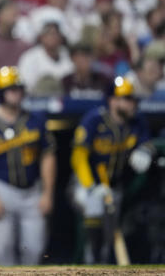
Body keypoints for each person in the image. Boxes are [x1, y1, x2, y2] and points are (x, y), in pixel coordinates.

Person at [0, 66, 57, 265]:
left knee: (34, 249)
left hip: (33, 191)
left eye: (18, 88)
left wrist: (47, 193)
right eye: (10, 89)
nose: (16, 93)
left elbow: (48, 156)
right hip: (2, 190)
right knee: (2, 250)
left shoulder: (36, 119)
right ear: (0, 92)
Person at [70, 76, 154, 263]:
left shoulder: (137, 121)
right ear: (112, 101)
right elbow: (79, 156)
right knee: (94, 216)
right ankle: (85, 266)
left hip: (114, 184)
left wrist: (145, 150)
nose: (132, 104)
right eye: (127, 99)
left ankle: (102, 267)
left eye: (133, 99)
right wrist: (91, 187)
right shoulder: (94, 119)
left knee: (109, 236)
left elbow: (147, 143)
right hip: (86, 182)